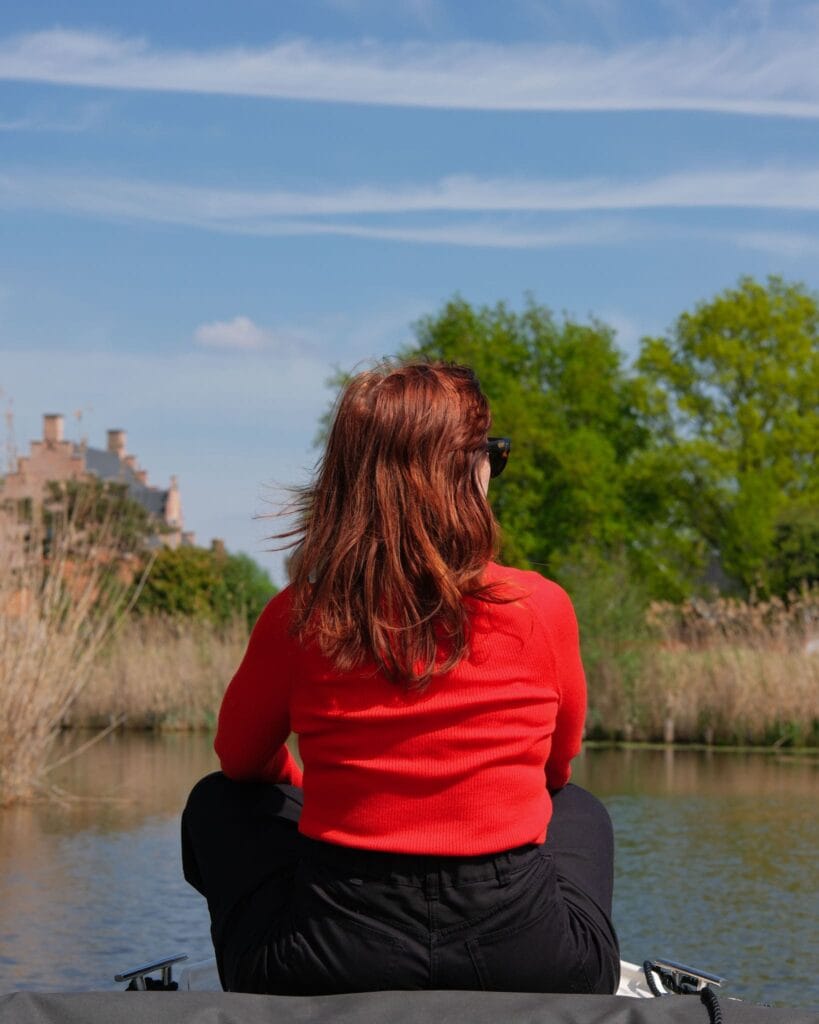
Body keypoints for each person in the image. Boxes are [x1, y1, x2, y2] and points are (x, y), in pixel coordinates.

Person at [181, 360, 619, 995]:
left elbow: (241, 763)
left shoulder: (302, 614)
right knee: (580, 810)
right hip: (530, 956)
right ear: (464, 471)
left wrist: (315, 797)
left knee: (216, 804)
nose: (493, 468)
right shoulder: (543, 607)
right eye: (491, 454)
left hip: (327, 953)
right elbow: (555, 771)